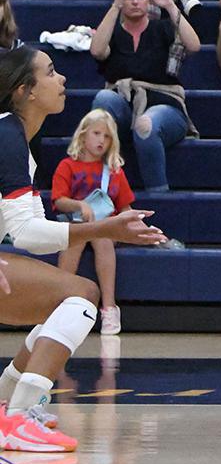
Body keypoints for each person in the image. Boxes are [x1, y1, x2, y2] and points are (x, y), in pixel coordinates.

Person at [0, 45, 163, 453]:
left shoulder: (13, 135)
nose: (63, 79)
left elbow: (22, 231)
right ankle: (18, 418)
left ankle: (8, 404)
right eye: (51, 72)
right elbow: (25, 233)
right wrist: (105, 227)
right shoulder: (7, 137)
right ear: (25, 91)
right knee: (82, 295)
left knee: (63, 303)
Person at [90, 0, 200, 193]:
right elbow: (97, 51)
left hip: (165, 107)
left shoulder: (164, 28)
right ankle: (96, 188)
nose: (135, 1)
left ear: (148, 0)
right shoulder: (112, 31)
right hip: (124, 107)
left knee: (145, 125)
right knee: (103, 100)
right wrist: (115, 6)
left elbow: (194, 46)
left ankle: (158, 195)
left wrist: (169, 4)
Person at [52, 110, 135, 336]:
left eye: (107, 136)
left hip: (105, 228)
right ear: (83, 135)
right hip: (76, 225)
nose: (101, 140)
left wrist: (136, 226)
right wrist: (80, 206)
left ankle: (109, 307)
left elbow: (125, 207)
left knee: (102, 237)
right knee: (75, 239)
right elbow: (59, 201)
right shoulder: (67, 166)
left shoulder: (114, 171)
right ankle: (61, 301)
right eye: (97, 133)